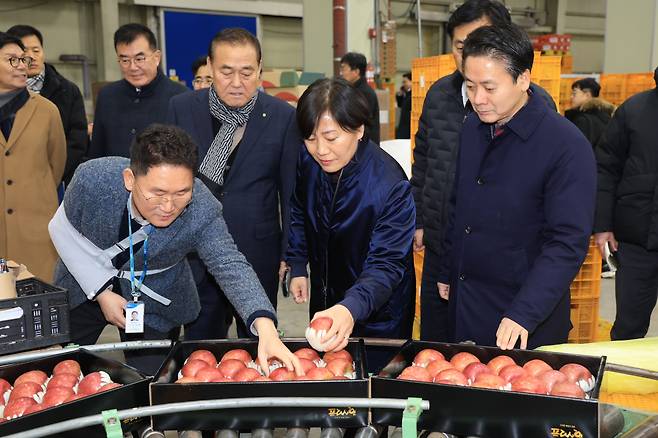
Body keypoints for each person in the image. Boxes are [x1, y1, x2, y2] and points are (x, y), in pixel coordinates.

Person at [48, 124, 302, 376]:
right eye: (157, 193)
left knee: (153, 381)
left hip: (154, 296)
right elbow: (60, 229)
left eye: (182, 192)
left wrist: (265, 326)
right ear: (129, 179)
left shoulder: (201, 207)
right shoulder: (92, 180)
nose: (168, 206)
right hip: (81, 283)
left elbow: (229, 263)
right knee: (59, 370)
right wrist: (101, 292)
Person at [437, 23, 596, 350]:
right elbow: (458, 203)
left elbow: (566, 243)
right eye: (470, 85)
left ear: (523, 79)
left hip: (523, 318)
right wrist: (447, 266)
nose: (478, 99)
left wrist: (524, 312)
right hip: (466, 301)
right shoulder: (473, 127)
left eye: (489, 88)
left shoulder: (565, 145)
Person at [411, 0, 557, 342]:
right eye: (461, 46)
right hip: (442, 246)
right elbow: (424, 159)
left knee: (487, 354)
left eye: (479, 42)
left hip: (496, 255)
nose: (469, 56)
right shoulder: (439, 95)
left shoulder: (536, 107)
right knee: (435, 345)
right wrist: (419, 217)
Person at [167, 28, 301, 339]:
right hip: (195, 249)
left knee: (257, 340)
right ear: (210, 67)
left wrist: (290, 254)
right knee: (201, 344)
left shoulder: (281, 116)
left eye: (247, 72)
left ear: (259, 71)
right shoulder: (182, 108)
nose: (237, 83)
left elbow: (290, 191)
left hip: (257, 250)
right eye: (226, 71)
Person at [287, 78, 415, 369]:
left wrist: (350, 308)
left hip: (378, 314)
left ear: (358, 129)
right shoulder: (309, 163)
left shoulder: (390, 184)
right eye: (310, 138)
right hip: (326, 300)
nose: (320, 150)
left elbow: (387, 264)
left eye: (331, 138)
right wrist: (297, 262)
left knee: (372, 388)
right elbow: (298, 207)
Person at [593, 67, 658, 341]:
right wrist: (602, 224)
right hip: (636, 238)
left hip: (636, 229)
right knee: (628, 328)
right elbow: (606, 168)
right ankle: (624, 382)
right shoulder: (634, 110)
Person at [0, 32, 66, 281]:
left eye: (23, 60)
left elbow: (56, 165)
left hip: (36, 231)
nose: (21, 66)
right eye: (11, 60)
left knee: (39, 308)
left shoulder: (47, 111)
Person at [87, 23, 187, 158]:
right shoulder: (107, 96)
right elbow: (97, 153)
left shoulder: (180, 98)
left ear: (157, 57)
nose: (133, 67)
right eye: (125, 60)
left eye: (139, 59)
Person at [7, 25, 88, 185]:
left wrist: (50, 175)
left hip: (56, 181)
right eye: (24, 52)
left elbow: (77, 140)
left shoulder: (68, 91)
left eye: (36, 50)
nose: (32, 57)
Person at [339, 52, 380, 144]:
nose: (341, 73)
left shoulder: (365, 93)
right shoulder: (351, 90)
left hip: (364, 147)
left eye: (343, 68)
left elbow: (361, 125)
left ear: (356, 72)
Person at [565, 77, 615, 148]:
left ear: (587, 95)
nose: (571, 97)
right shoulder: (606, 116)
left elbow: (577, 148)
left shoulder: (583, 120)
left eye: (574, 93)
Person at [395, 72, 412, 139]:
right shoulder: (407, 93)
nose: (403, 84)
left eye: (405, 82)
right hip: (403, 125)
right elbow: (400, 105)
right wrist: (399, 95)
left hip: (407, 127)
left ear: (411, 81)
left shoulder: (412, 95)